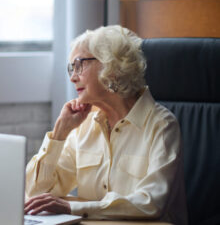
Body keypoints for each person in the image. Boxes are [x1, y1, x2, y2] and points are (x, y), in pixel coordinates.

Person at [24, 25, 188, 225]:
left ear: (111, 66)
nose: (72, 77)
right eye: (70, 68)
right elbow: (36, 193)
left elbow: (151, 202)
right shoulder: (83, 125)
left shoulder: (162, 125)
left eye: (78, 65)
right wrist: (60, 132)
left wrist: (71, 207)